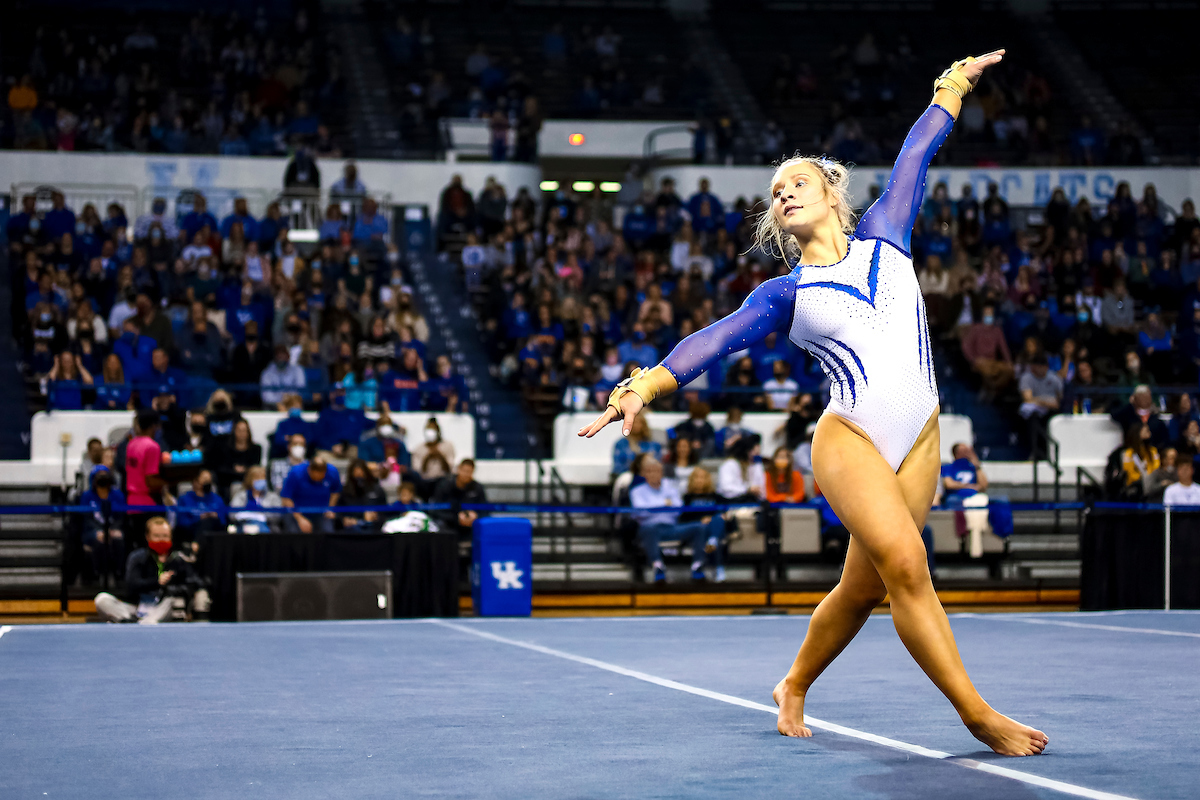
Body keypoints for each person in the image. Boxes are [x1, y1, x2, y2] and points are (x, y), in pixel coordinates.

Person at [578, 51, 1048, 755]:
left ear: (831, 192)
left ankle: (793, 682)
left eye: (797, 182)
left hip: (919, 435)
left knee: (863, 590)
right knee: (910, 567)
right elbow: (713, 341)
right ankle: (977, 713)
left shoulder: (889, 236)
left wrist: (953, 84)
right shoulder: (784, 295)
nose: (784, 194)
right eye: (774, 192)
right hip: (849, 438)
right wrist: (639, 387)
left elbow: (916, 151)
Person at [630, 457, 725, 583]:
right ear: (644, 474)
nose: (653, 474)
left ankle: (697, 566)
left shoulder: (670, 487)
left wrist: (654, 507)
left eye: (656, 471)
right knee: (649, 529)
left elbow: (678, 508)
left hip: (672, 527)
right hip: (650, 528)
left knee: (699, 527)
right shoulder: (637, 491)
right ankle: (658, 567)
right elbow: (640, 512)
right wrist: (665, 503)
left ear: (661, 472)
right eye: (650, 471)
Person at [93, 517, 203, 624]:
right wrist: (157, 582)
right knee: (102, 599)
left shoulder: (179, 559)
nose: (161, 540)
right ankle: (127, 620)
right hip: (136, 608)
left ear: (171, 537)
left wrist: (171, 587)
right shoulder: (137, 557)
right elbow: (131, 584)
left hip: (162, 608)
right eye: (156, 536)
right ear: (147, 536)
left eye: (165, 536)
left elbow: (193, 583)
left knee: (174, 601)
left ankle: (146, 622)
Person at [125, 409, 166, 550]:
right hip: (148, 504)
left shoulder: (131, 444)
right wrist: (172, 481)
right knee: (152, 548)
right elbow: (151, 481)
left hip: (132, 503)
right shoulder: (152, 447)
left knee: (138, 547)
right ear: (153, 426)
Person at [79, 465, 125, 581]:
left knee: (118, 540)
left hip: (114, 529)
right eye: (99, 477)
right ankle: (96, 575)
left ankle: (118, 574)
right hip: (92, 530)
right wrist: (99, 531)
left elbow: (121, 517)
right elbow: (87, 518)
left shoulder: (117, 495)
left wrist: (113, 530)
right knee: (98, 541)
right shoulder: (87, 496)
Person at [280, 455, 342, 533]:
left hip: (321, 512)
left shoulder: (333, 472)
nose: (317, 479)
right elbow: (286, 498)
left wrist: (330, 508)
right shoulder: (295, 473)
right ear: (309, 470)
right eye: (314, 476)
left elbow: (335, 492)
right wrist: (300, 519)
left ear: (325, 472)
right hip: (296, 512)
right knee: (294, 532)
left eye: (320, 476)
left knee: (328, 531)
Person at [430, 459, 487, 536]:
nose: (466, 474)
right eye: (464, 471)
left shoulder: (477, 488)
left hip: (470, 524)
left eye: (469, 472)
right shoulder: (444, 485)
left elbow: (485, 509)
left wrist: (475, 516)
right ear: (458, 469)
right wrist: (456, 518)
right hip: (449, 523)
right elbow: (436, 510)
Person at [175, 470, 228, 544]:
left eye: (209, 481)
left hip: (214, 532)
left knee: (210, 521)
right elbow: (182, 522)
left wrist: (215, 516)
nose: (207, 483)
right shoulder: (185, 499)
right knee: (205, 522)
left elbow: (223, 521)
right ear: (195, 482)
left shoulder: (217, 499)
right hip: (192, 531)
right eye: (204, 480)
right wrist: (199, 518)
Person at [338, 459, 389, 532]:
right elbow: (338, 511)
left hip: (372, 527)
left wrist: (376, 516)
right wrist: (344, 519)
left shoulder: (377, 490)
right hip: (350, 529)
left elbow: (385, 510)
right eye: (356, 476)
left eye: (361, 475)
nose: (359, 480)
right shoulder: (344, 491)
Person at [230, 466, 284, 533]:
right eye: (257, 478)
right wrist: (246, 515)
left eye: (263, 478)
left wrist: (262, 516)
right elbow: (231, 513)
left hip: (268, 528)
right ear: (250, 480)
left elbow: (278, 515)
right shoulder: (241, 495)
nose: (261, 480)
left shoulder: (273, 496)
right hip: (244, 526)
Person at [412, 418, 457, 486]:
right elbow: (418, 471)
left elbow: (450, 469)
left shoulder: (447, 446)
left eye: (433, 429)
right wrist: (428, 457)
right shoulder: (419, 448)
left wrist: (440, 456)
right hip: (425, 481)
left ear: (438, 431)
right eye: (428, 429)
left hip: (443, 480)